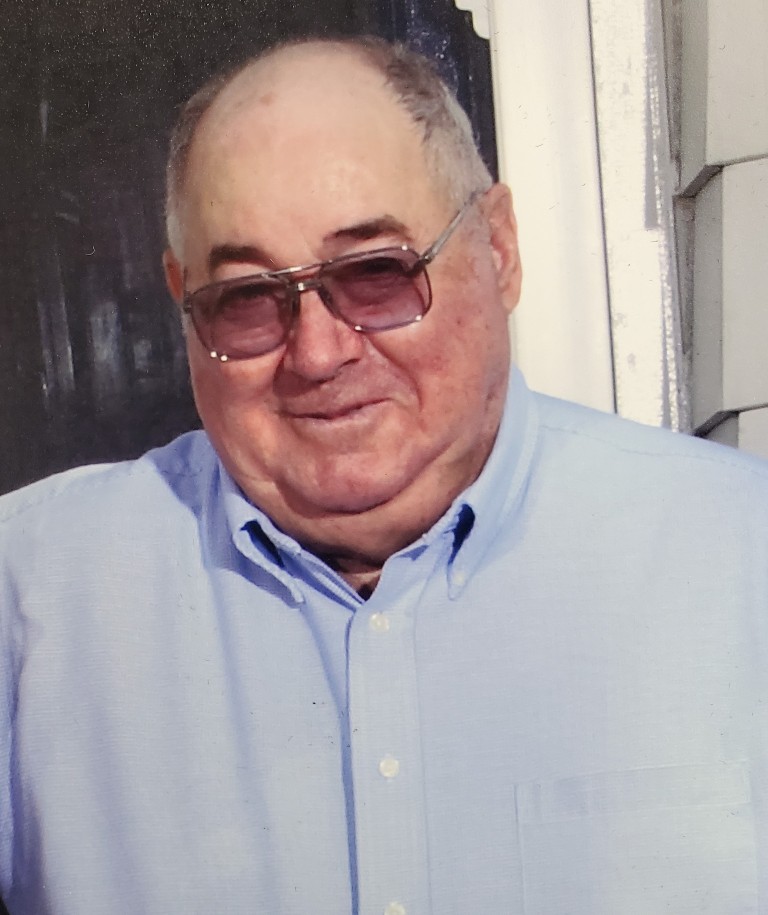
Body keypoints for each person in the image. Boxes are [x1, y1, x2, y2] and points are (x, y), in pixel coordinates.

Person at [1, 35, 767, 915]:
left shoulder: (739, 559)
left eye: (375, 274)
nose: (318, 353)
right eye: (246, 297)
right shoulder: (33, 601)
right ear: (183, 302)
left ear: (499, 249)